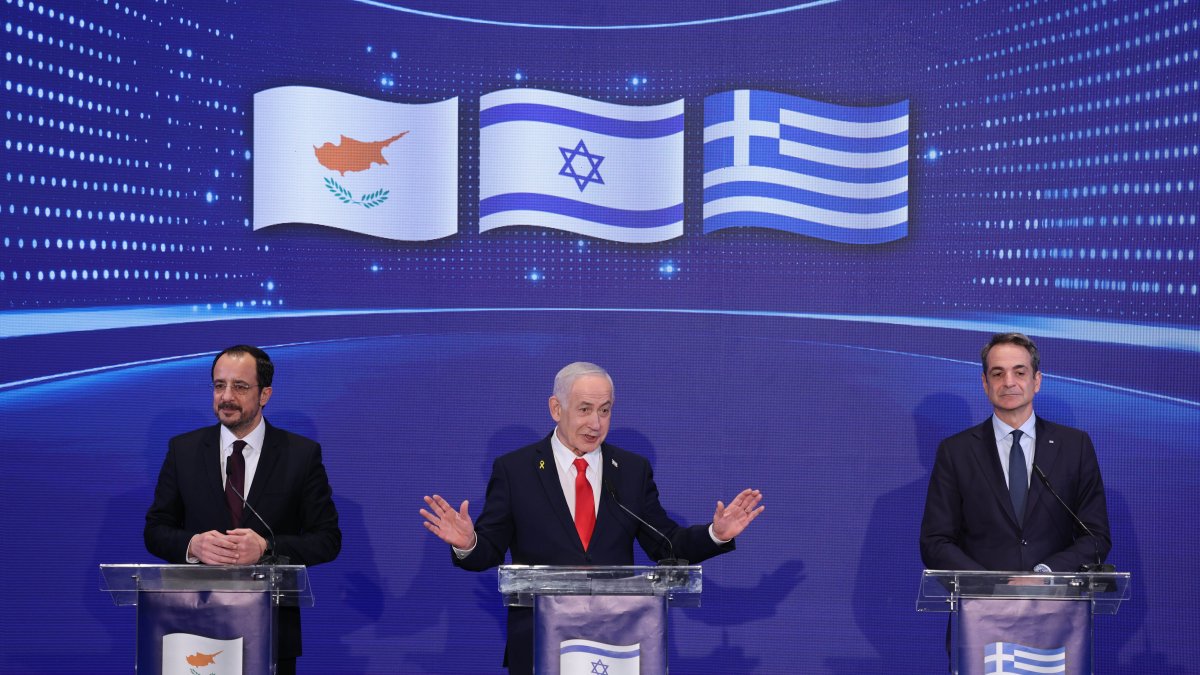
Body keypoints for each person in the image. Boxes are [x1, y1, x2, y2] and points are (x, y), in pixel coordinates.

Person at [421, 362, 764, 674]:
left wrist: (715, 534)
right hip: (542, 645)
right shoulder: (516, 470)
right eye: (584, 410)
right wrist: (469, 544)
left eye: (605, 410)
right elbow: (489, 549)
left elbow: (666, 544)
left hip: (619, 646)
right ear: (556, 408)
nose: (596, 423)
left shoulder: (631, 471)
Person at [145, 345, 341, 675]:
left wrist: (266, 547)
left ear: (265, 394)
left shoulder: (300, 455)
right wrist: (193, 545)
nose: (226, 396)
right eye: (219, 385)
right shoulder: (184, 450)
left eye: (240, 386)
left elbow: (327, 539)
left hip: (269, 629)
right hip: (193, 626)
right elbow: (156, 529)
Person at [920, 333, 1111, 573]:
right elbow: (935, 542)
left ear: (1037, 380)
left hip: (1056, 600)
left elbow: (1096, 536)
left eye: (1019, 373)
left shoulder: (1075, 446)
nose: (1009, 382)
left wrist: (1044, 573)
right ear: (985, 383)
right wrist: (989, 584)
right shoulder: (956, 452)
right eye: (997, 374)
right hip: (983, 603)